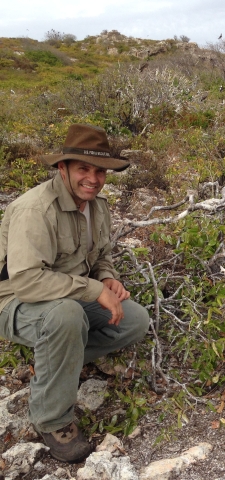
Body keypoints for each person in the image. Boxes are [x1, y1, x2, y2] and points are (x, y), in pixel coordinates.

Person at [0, 124, 150, 463]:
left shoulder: (98, 207)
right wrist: (94, 288)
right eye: (83, 168)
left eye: (100, 171)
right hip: (13, 302)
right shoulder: (34, 210)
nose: (93, 178)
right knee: (66, 315)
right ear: (62, 168)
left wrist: (108, 278)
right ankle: (51, 420)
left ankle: (52, 364)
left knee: (135, 320)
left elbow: (102, 256)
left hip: (65, 298)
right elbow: (26, 281)